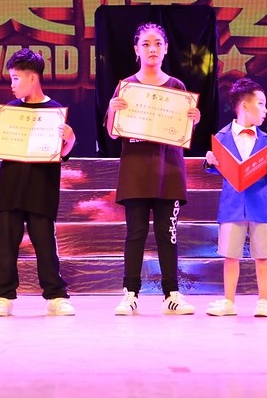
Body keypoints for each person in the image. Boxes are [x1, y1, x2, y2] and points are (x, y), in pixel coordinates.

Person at [106, 22, 201, 315]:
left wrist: (193, 119)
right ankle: (130, 294)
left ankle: (171, 294)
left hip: (168, 172)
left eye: (158, 44)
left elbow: (182, 133)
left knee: (167, 234)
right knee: (135, 233)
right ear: (136, 49)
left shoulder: (177, 88)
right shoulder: (126, 87)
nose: (152, 49)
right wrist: (113, 110)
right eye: (146, 44)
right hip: (135, 172)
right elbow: (112, 133)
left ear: (166, 49)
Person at [0, 49, 77, 317]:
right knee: (5, 245)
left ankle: (56, 295)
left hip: (41, 188)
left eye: (15, 78)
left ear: (32, 78)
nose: (12, 85)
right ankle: (2, 296)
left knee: (45, 246)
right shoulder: (8, 111)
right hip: (11, 188)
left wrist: (70, 139)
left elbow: (62, 153)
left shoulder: (54, 111)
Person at [203, 78, 267, 318]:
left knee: (263, 255)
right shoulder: (221, 137)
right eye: (261, 103)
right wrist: (209, 162)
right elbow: (215, 168)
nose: (265, 110)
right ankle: (229, 301)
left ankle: (263, 301)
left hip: (260, 204)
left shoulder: (266, 140)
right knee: (231, 256)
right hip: (232, 205)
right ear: (245, 105)